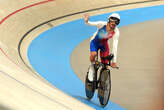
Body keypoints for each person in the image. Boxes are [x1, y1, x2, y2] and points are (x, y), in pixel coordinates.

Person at [83, 13, 120, 81]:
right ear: (109, 20)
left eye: (115, 23)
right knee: (94, 54)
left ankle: (104, 82)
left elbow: (115, 46)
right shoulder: (102, 24)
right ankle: (92, 68)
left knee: (105, 65)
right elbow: (90, 24)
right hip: (95, 42)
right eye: (112, 22)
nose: (113, 25)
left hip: (104, 45)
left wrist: (113, 61)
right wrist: (86, 21)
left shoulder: (116, 32)